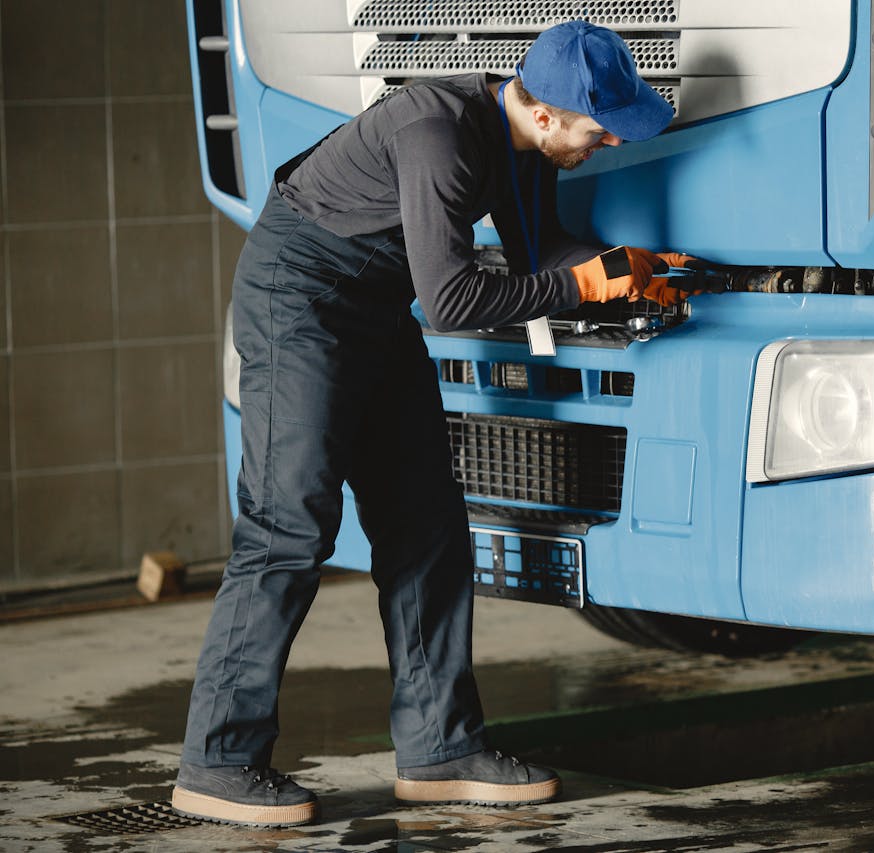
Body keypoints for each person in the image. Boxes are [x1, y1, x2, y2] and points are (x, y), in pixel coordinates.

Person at [171, 20, 695, 827]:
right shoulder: (438, 132)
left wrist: (624, 271)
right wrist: (583, 289)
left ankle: (441, 746)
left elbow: (539, 254)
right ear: (549, 114)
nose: (604, 145)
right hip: (299, 297)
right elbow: (450, 304)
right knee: (290, 522)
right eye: (599, 130)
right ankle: (219, 758)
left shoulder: (523, 143)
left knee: (427, 523)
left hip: (373, 305)